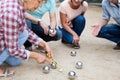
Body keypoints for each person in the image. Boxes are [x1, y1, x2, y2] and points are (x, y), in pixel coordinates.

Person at [0, 0, 53, 77]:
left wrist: (43, 43)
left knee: (16, 61)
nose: (40, 5)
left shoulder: (19, 6)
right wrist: (36, 55)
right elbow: (13, 49)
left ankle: (4, 56)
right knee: (22, 37)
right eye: (39, 1)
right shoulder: (12, 13)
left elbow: (23, 29)